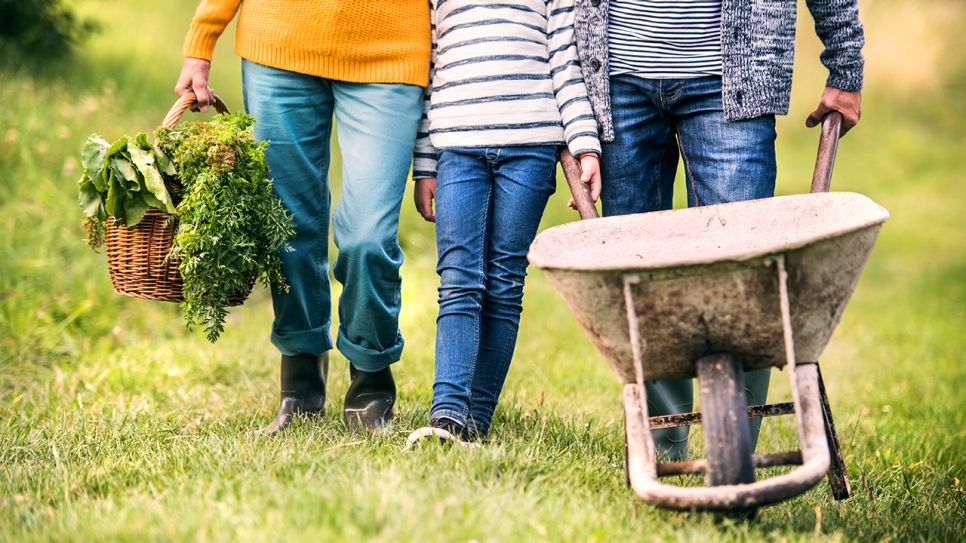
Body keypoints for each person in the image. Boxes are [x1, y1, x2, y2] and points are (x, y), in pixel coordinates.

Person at [573, 0, 865, 458]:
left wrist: (845, 66)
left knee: (741, 267)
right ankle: (664, 452)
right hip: (615, 76)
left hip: (732, 75)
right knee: (638, 269)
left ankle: (732, 455)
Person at [174, 1, 431, 434]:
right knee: (287, 227)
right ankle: (301, 381)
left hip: (390, 48)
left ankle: (370, 377)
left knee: (368, 235)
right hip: (279, 42)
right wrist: (202, 41)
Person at [405, 0, 603, 445]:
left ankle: (475, 422)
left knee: (504, 281)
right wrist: (425, 165)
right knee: (459, 278)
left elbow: (565, 63)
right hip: (458, 147)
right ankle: (447, 415)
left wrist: (585, 144)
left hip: (530, 146)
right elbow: (431, 73)